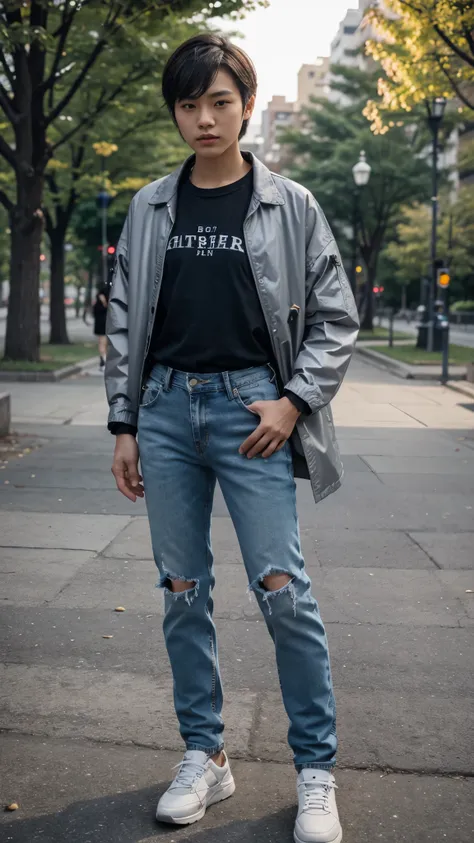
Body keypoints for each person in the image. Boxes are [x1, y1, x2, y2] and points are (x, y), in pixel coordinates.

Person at [105, 34, 359, 843]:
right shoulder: (149, 206)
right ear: (176, 113)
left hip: (254, 411)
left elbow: (334, 317)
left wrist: (292, 401)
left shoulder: (293, 204)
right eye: (189, 104)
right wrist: (125, 422)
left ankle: (315, 769)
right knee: (182, 590)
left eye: (219, 101)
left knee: (283, 589)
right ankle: (206, 754)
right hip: (167, 410)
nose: (204, 118)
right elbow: (122, 319)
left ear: (245, 104)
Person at [93, 284, 109, 371]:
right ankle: (104, 361)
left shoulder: (101, 303)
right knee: (103, 343)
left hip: (104, 326)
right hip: (102, 326)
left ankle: (104, 361)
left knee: (103, 344)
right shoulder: (99, 305)